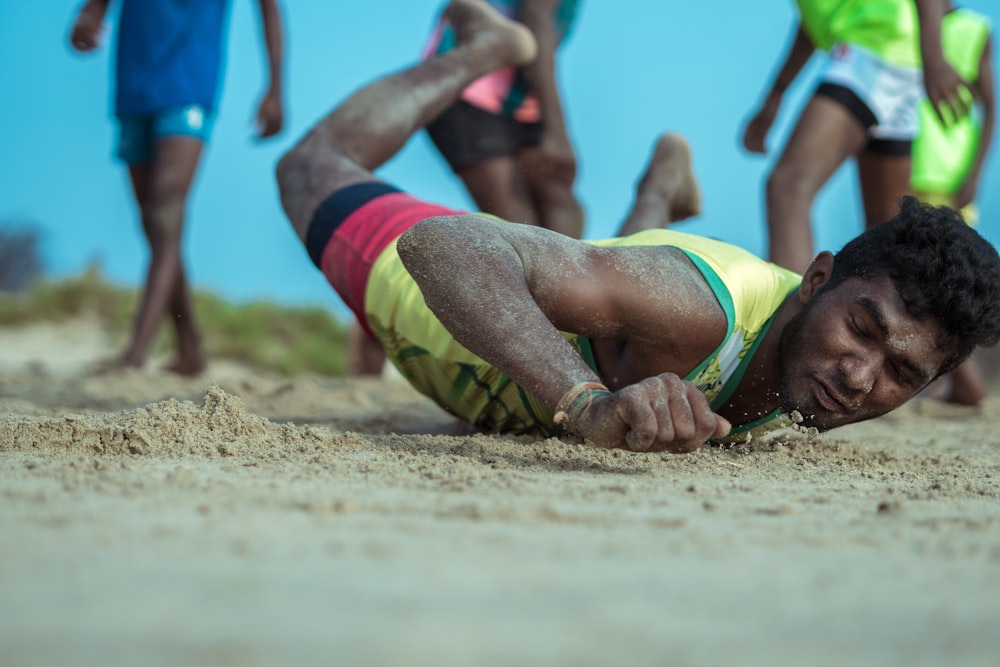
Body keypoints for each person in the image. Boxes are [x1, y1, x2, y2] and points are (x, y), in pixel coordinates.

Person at [275, 0, 1000, 453]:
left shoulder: (806, 372)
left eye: (902, 372)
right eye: (863, 329)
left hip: (613, 282)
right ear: (815, 279)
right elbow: (439, 246)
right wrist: (586, 404)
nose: (858, 374)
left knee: (622, 300)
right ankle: (483, 52)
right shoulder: (696, 312)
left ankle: (655, 193)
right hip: (412, 284)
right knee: (310, 165)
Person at [69, 0, 285, 375]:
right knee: (156, 226)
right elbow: (95, 7)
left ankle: (135, 354)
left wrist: (275, 87)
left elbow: (269, 8)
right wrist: (88, 15)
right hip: (133, 85)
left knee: (165, 212)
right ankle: (190, 349)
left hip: (190, 85)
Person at [742, 0, 974, 274]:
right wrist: (778, 91)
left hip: (871, 49)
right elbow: (815, 22)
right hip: (896, 58)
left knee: (787, 187)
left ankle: (794, 312)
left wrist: (934, 58)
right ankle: (903, 315)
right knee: (889, 232)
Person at [911, 6, 995, 407]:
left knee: (950, 277)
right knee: (914, 273)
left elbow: (990, 107)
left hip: (952, 170)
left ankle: (961, 381)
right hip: (909, 161)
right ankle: (959, 382)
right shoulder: (904, 21)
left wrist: (974, 175)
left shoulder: (974, 29)